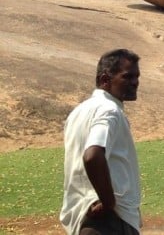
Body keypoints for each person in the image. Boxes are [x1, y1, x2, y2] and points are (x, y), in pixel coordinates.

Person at [60, 49, 142, 235]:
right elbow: (92, 155)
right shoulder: (110, 111)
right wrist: (108, 202)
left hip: (84, 216)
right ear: (105, 80)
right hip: (110, 220)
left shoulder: (78, 112)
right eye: (128, 76)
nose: (135, 82)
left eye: (137, 76)